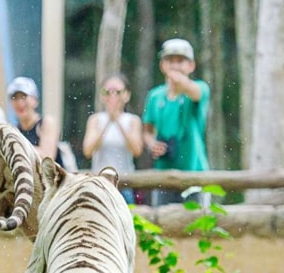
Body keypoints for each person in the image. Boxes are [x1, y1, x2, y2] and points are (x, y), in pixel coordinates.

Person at [142, 38, 211, 206]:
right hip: (163, 174)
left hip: (194, 172)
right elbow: (147, 129)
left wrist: (180, 82)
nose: (175, 66)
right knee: (163, 225)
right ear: (162, 65)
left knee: (196, 225)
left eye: (180, 61)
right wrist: (152, 144)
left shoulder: (200, 88)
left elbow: (195, 93)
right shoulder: (154, 96)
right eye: (170, 61)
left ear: (191, 65)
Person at [82, 73, 144, 204]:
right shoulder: (95, 120)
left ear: (126, 95)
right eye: (107, 92)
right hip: (99, 182)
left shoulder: (132, 120)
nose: (112, 96)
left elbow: (137, 150)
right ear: (101, 96)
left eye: (118, 92)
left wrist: (118, 121)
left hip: (125, 183)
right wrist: (107, 122)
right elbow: (88, 151)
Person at [7, 76, 64, 168]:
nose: (20, 102)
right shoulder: (14, 130)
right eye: (15, 98)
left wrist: (17, 148)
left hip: (53, 180)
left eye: (24, 96)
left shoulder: (46, 123)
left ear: (35, 100)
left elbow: (47, 158)